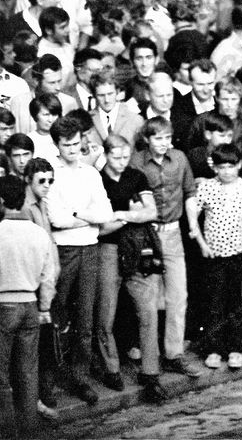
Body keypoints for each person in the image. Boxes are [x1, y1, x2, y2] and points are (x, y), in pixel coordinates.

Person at [46, 114, 114, 405]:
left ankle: (81, 378)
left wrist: (77, 213)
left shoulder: (91, 174)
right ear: (57, 145)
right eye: (67, 145)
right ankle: (50, 378)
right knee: (56, 314)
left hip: (90, 248)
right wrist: (84, 216)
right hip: (64, 251)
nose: (73, 150)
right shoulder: (53, 174)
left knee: (86, 318)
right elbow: (56, 220)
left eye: (77, 144)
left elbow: (105, 215)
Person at [129, 116, 202, 378]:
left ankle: (174, 353)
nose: (164, 143)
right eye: (158, 138)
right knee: (148, 299)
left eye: (168, 138)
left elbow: (190, 192)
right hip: (146, 234)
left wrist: (193, 224)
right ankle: (148, 357)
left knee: (178, 295)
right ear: (147, 139)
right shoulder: (137, 160)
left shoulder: (179, 158)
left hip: (173, 233)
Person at [188, 143, 242, 369]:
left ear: (239, 165)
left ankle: (234, 348)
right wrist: (201, 242)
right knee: (214, 302)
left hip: (240, 255)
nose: (227, 172)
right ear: (214, 167)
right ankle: (213, 349)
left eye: (231, 167)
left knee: (236, 302)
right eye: (222, 167)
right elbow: (194, 213)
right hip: (214, 257)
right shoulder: (207, 188)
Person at [95, 134, 158, 393]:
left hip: (135, 247)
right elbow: (99, 227)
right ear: (106, 154)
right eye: (116, 157)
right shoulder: (97, 179)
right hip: (108, 249)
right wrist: (132, 216)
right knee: (106, 314)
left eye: (125, 156)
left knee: (148, 310)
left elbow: (152, 211)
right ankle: (112, 369)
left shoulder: (137, 176)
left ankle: (150, 372)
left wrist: (119, 215)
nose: (122, 162)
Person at [0, 175, 57, 438]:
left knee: (1, 375)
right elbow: (48, 276)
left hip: (4, 305)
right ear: (22, 200)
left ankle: (7, 431)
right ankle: (29, 431)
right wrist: (44, 306)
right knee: (27, 372)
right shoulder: (38, 234)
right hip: (31, 305)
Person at [171, 58, 217, 152]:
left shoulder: (222, 104)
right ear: (191, 82)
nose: (206, 89)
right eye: (200, 84)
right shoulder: (178, 107)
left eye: (210, 83)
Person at [37, 7, 75, 90]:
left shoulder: (68, 47)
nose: (68, 30)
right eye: (62, 27)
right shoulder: (41, 52)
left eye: (67, 25)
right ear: (49, 30)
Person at [27, 93, 61, 166]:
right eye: (46, 115)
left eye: (54, 115)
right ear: (35, 116)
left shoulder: (64, 137)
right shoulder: (29, 139)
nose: (50, 119)